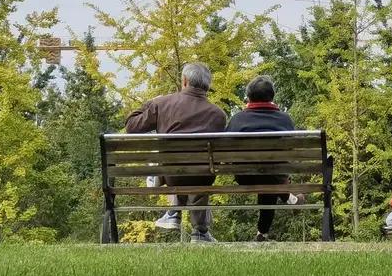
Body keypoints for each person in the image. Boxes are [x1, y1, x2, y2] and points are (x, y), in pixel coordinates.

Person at [125, 62, 227, 243]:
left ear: (185, 81)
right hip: (203, 175)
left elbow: (131, 126)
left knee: (178, 166)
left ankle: (174, 213)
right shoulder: (218, 114)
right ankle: (200, 232)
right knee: (200, 171)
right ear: (207, 85)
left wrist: (151, 102)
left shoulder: (162, 104)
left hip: (171, 173)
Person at [226, 75, 305, 242]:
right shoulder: (285, 119)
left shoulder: (238, 119)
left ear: (248, 97)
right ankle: (288, 201)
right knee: (270, 176)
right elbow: (291, 148)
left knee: (265, 175)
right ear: (272, 96)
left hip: (244, 176)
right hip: (276, 175)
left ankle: (264, 231)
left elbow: (225, 149)